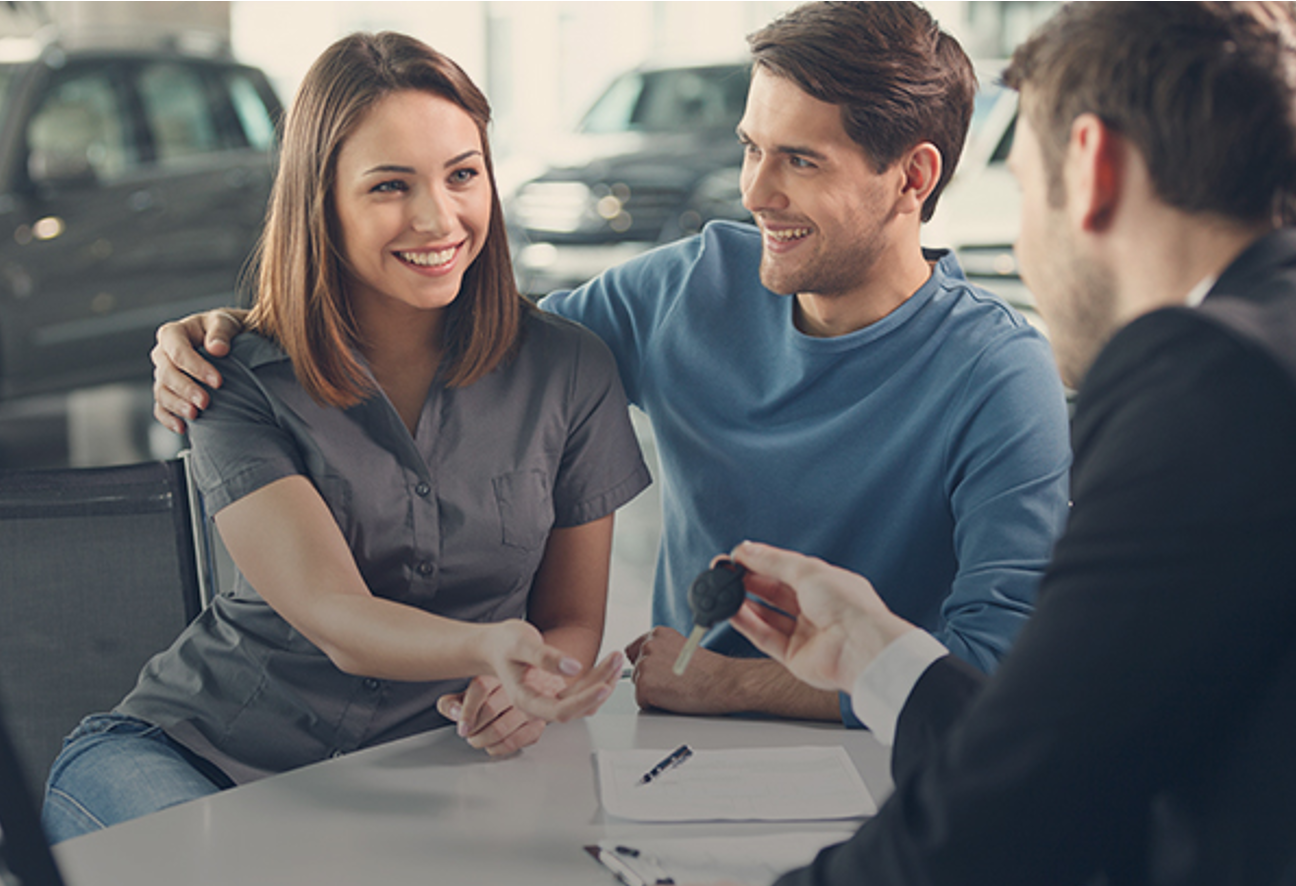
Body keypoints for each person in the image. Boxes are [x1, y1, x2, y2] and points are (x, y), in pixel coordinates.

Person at [149, 2, 1072, 726]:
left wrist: (730, 686)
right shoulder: (684, 289)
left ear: (913, 177)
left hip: (892, 768)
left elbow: (996, 666)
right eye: (751, 148)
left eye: (799, 160)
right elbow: (471, 338)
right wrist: (246, 329)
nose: (756, 191)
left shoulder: (999, 373)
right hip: (678, 753)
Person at [720, 1, 1296, 883]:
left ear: (1092, 166)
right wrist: (874, 651)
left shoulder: (1208, 380)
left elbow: (1015, 817)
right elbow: (1090, 744)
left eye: (1025, 189)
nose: (1027, 245)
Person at [42, 32, 650, 843]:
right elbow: (334, 614)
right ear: (320, 200)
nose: (439, 217)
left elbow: (572, 619)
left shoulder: (569, 369)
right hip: (193, 757)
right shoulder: (234, 376)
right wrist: (495, 645)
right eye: (390, 185)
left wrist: (530, 685)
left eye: (463, 174)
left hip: (423, 772)